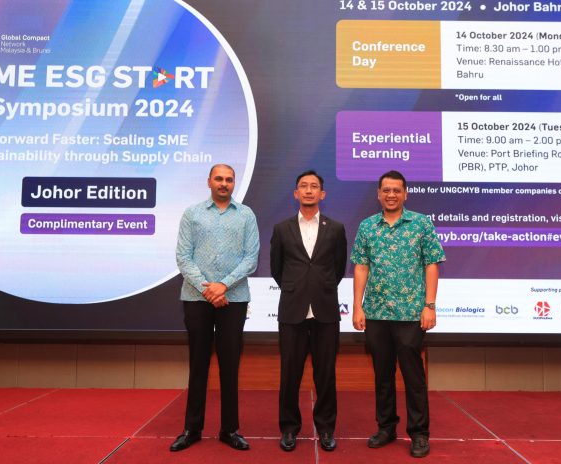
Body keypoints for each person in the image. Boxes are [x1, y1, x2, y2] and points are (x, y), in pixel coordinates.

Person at [350, 170, 445, 458]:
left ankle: (419, 434)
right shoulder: (367, 227)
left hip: (411, 314)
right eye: (386, 190)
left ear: (405, 194)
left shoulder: (421, 224)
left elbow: (432, 264)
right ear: (378, 194)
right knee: (382, 375)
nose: (391, 195)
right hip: (377, 313)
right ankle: (386, 427)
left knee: (413, 376)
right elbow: (361, 266)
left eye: (396, 190)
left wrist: (430, 305)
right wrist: (357, 305)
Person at [170, 164, 259, 452]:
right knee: (198, 364)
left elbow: (251, 258)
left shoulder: (246, 215)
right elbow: (183, 257)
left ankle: (229, 430)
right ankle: (191, 429)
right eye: (219, 178)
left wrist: (223, 285)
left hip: (234, 299)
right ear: (209, 181)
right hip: (197, 298)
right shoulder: (192, 214)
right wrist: (209, 289)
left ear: (234, 184)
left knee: (230, 365)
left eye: (229, 179)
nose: (224, 183)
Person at [270, 170, 347, 452]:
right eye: (303, 186)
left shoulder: (336, 228)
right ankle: (289, 429)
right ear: (296, 193)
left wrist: (319, 288)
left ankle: (326, 429)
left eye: (314, 186)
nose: (309, 190)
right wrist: (297, 288)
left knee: (325, 374)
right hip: (292, 310)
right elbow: (277, 269)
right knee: (290, 373)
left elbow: (338, 268)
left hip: (325, 310)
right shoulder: (281, 228)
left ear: (322, 194)